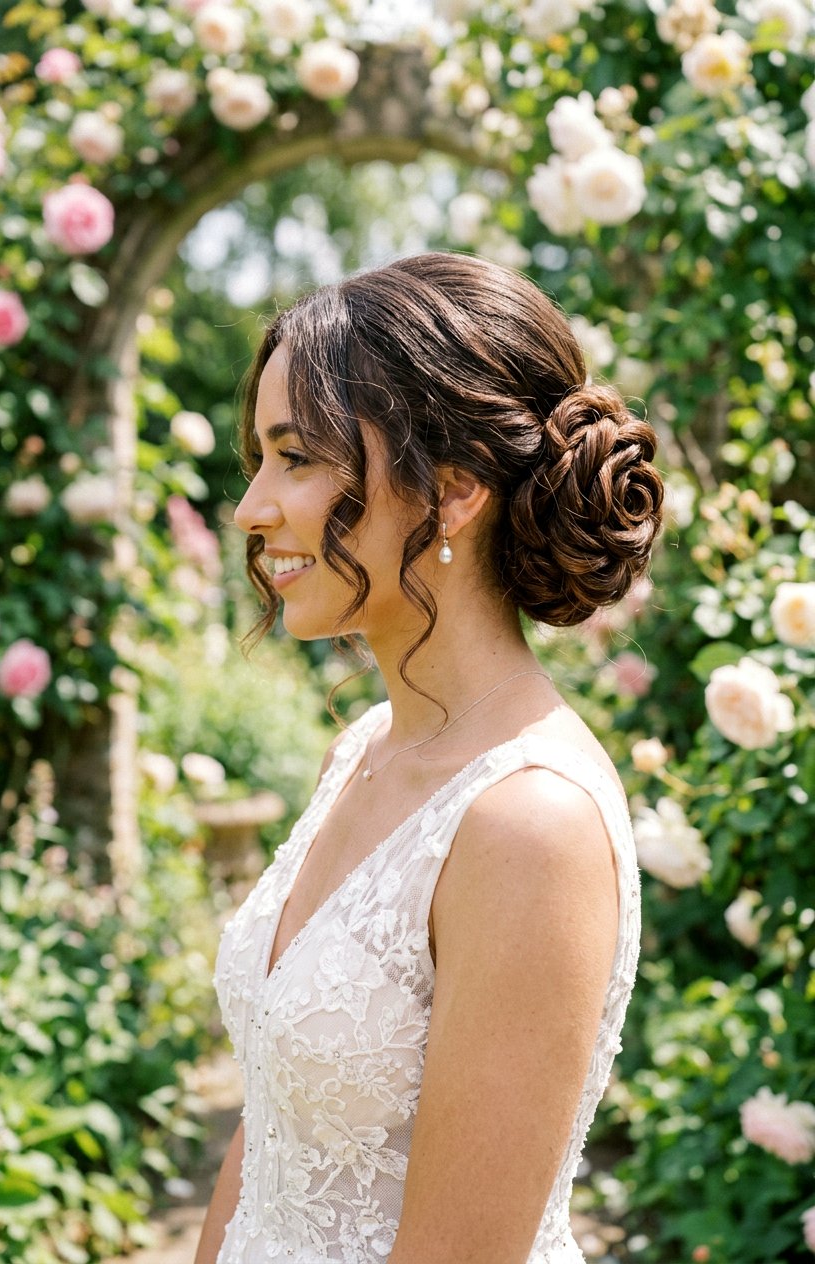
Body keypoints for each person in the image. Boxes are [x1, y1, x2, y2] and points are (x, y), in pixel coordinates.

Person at [194, 251, 663, 1264]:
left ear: (450, 493)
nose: (250, 508)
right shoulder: (356, 751)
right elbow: (272, 1125)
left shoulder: (525, 827)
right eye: (258, 459)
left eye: (297, 458)